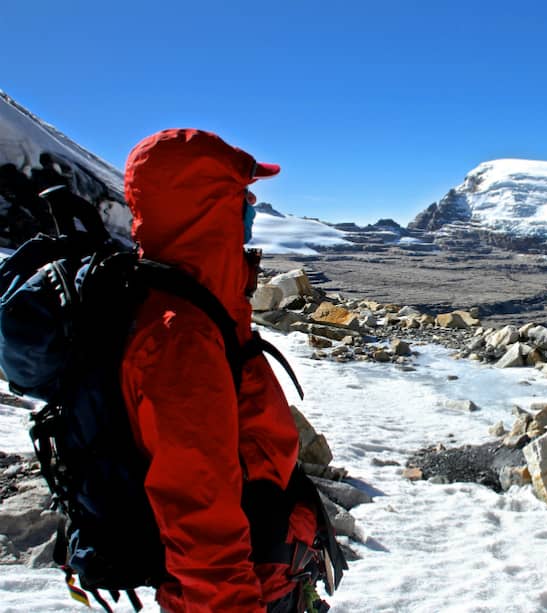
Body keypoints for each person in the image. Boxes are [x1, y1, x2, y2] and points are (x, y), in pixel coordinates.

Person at [121, 129, 318, 612]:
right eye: (242, 194)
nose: (252, 206)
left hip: (266, 571)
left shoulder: (205, 305)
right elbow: (198, 513)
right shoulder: (182, 335)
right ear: (209, 206)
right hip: (248, 589)